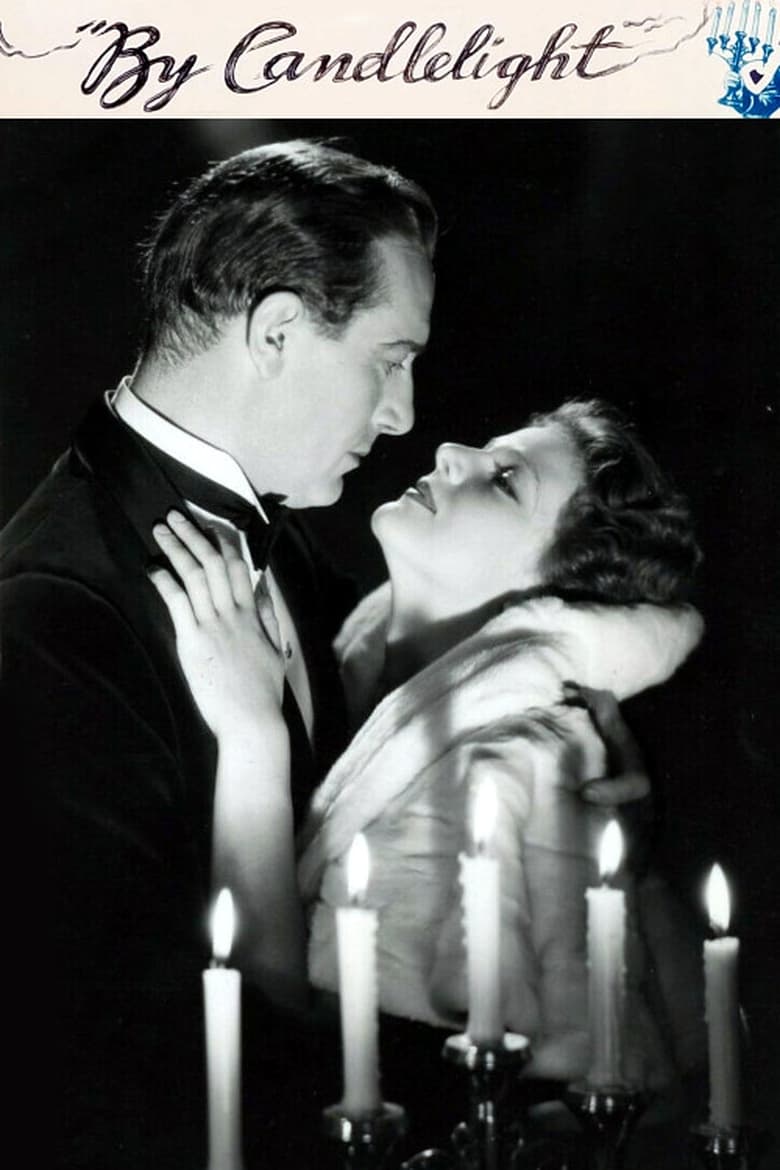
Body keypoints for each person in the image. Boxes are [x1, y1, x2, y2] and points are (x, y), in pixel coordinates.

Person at [0, 138, 436, 1169]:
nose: (402, 414)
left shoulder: (287, 537)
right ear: (276, 331)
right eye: (390, 359)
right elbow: (120, 1057)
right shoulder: (51, 615)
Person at [151, 399, 706, 1146]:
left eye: (505, 481)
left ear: (547, 589)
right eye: (487, 450)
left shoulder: (509, 769)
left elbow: (313, 1057)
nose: (450, 451)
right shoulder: (350, 663)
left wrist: (252, 736)